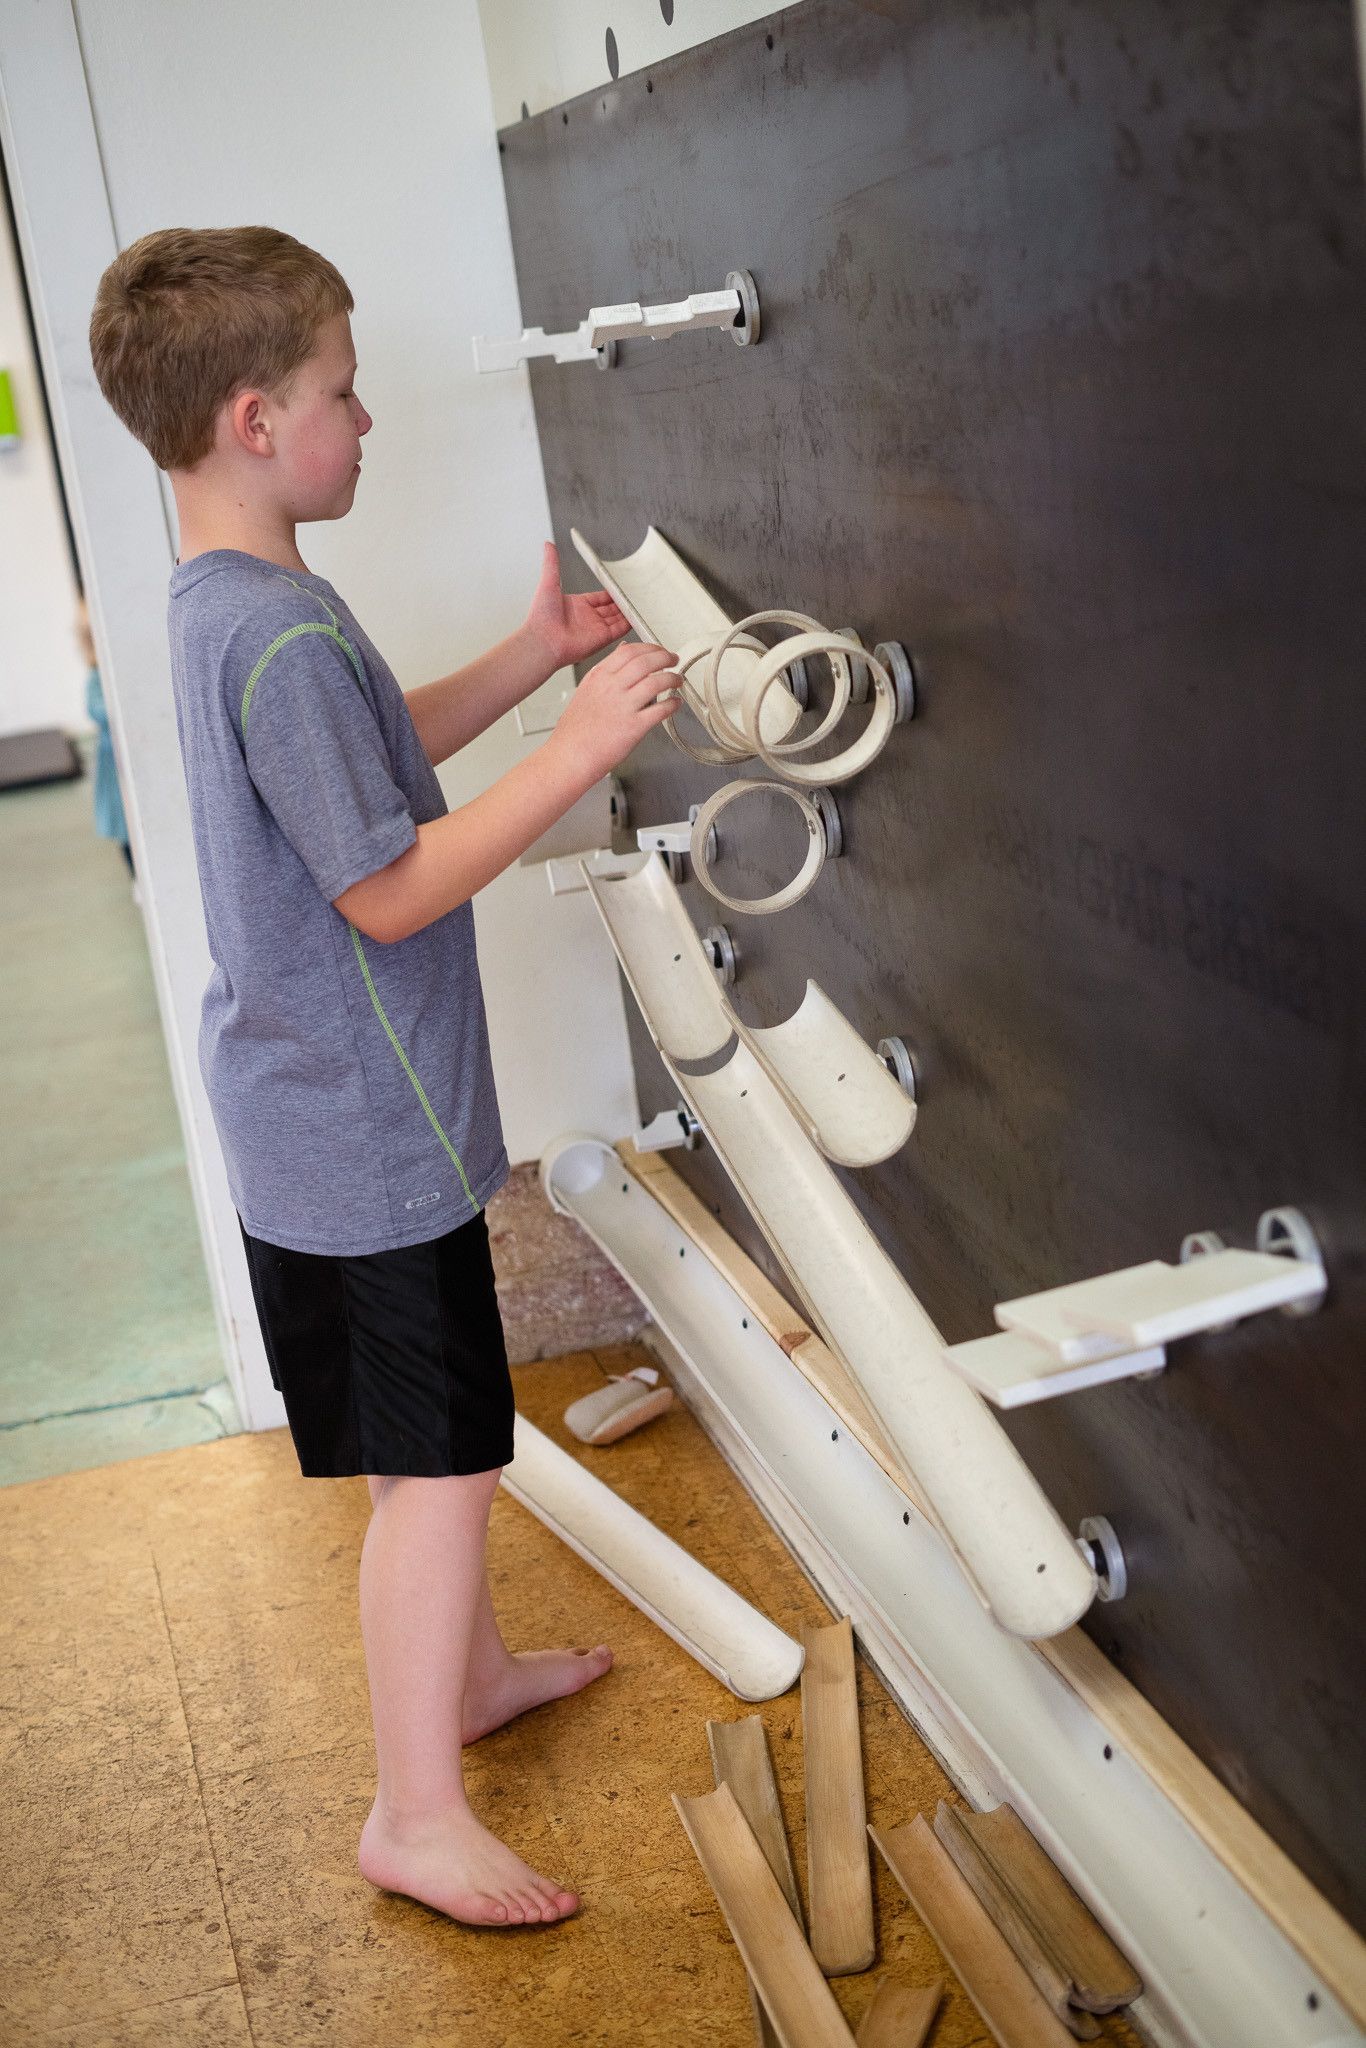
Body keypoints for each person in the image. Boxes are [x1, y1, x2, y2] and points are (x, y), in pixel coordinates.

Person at [88, 226, 680, 1930]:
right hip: (360, 1128)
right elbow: (388, 880)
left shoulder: (241, 605)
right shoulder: (270, 633)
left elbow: (368, 749)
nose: (371, 420)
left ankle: (468, 1675)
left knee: (421, 1442)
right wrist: (576, 752)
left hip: (308, 1114)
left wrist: (528, 658)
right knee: (443, 1462)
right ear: (258, 418)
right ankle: (414, 1809)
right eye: (345, 393)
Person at [77, 596, 135, 885]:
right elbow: (95, 709)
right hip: (112, 762)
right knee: (121, 822)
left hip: (127, 757)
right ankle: (135, 878)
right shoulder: (96, 677)